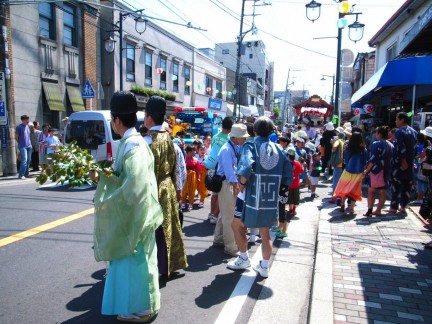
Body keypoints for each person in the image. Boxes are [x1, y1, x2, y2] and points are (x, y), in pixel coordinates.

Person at [90, 91, 163, 322]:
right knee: (135, 264)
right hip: (137, 213)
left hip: (135, 216)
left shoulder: (132, 145)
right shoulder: (133, 142)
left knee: (135, 264)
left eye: (112, 118)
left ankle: (141, 308)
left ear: (117, 120)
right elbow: (126, 179)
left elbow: (133, 185)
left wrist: (109, 199)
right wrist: (103, 177)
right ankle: (139, 306)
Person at [227, 117, 292, 277]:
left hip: (250, 193)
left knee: (236, 225)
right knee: (265, 232)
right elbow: (287, 175)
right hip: (270, 196)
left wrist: (240, 185)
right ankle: (264, 267)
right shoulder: (279, 148)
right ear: (271, 131)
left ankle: (243, 257)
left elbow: (246, 166)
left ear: (254, 131)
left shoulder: (251, 145)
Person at [144, 95, 188, 277]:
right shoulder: (170, 140)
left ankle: (155, 267)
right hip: (168, 187)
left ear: (149, 117)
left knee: (153, 229)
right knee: (169, 228)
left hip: (152, 188)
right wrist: (178, 189)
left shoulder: (146, 142)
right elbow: (179, 169)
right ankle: (169, 265)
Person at [213, 123, 249, 257]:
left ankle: (219, 238)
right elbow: (229, 172)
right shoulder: (228, 150)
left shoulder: (232, 147)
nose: (244, 139)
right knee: (229, 216)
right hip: (227, 183)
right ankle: (230, 247)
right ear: (235, 137)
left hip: (227, 183)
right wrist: (235, 186)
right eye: (243, 137)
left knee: (224, 213)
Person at [386, 112, 418, 214]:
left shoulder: (400, 132)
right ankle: (403, 206)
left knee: (396, 185)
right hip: (410, 163)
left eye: (397, 119)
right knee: (407, 186)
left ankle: (394, 207)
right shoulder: (414, 131)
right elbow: (415, 148)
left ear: (402, 120)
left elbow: (401, 147)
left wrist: (403, 160)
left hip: (400, 163)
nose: (395, 121)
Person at [204, 117, 233, 224]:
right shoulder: (230, 139)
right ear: (230, 128)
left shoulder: (215, 137)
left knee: (214, 192)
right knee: (220, 193)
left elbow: (212, 152)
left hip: (213, 166)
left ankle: (211, 213)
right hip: (222, 169)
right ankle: (215, 216)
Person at [333, 132, 368, 215]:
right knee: (354, 190)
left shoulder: (348, 148)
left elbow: (346, 159)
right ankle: (352, 208)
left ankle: (342, 204)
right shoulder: (363, 149)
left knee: (345, 188)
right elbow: (365, 161)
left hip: (348, 170)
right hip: (358, 172)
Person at [363, 126, 394, 217]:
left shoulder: (376, 144)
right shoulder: (391, 145)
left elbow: (373, 159)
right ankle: (378, 210)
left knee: (371, 190)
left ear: (379, 134)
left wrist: (367, 170)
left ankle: (370, 210)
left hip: (376, 171)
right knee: (382, 191)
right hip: (387, 171)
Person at [181, 145, 201, 211]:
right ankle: (183, 202)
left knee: (192, 190)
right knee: (184, 190)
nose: (195, 152)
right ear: (189, 152)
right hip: (185, 176)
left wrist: (198, 177)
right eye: (193, 151)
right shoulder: (184, 159)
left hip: (193, 177)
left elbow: (198, 169)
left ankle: (190, 203)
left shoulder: (196, 160)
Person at [328, 132, 345, 204]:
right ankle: (340, 197)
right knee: (341, 182)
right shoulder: (343, 142)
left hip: (337, 165)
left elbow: (334, 147)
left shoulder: (338, 141)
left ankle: (334, 198)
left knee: (335, 182)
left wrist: (333, 147)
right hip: (342, 164)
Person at [15, 115, 32, 179]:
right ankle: (21, 174)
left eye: (28, 119)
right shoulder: (19, 127)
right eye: (26, 120)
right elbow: (16, 137)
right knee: (24, 160)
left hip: (29, 145)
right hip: (22, 146)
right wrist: (20, 143)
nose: (28, 121)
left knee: (28, 160)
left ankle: (26, 173)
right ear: (23, 120)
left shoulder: (27, 126)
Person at [196, 143, 208, 208]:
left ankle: (202, 201)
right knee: (198, 187)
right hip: (197, 176)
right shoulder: (195, 157)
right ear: (198, 150)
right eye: (201, 150)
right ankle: (200, 196)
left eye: (204, 150)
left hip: (204, 176)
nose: (203, 151)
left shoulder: (207, 158)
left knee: (203, 188)